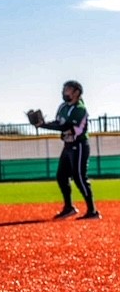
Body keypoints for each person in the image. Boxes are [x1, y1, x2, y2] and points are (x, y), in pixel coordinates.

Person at [32, 80, 100, 220]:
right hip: (68, 146)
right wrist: (42, 124)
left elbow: (66, 127)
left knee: (79, 177)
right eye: (64, 89)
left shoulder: (80, 108)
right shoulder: (63, 107)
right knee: (61, 176)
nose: (64, 91)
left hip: (80, 145)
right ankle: (69, 208)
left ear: (77, 92)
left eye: (68, 89)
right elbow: (58, 123)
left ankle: (92, 211)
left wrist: (44, 126)